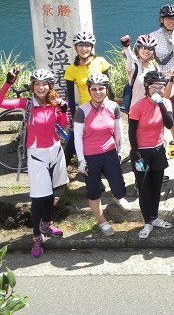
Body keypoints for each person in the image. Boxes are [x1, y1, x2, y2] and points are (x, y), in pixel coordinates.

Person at [0, 68, 69, 258]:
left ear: (50, 86)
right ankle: (36, 236)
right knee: (38, 197)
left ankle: (47, 224)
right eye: (37, 84)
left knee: (51, 192)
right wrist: (8, 83)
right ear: (33, 86)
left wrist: (63, 110)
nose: (41, 87)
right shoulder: (27, 103)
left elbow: (63, 122)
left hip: (55, 150)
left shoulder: (55, 102)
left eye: (45, 84)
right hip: (37, 154)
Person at [73, 73, 132, 237]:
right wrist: (81, 161)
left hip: (110, 153)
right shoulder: (82, 111)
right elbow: (77, 138)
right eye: (94, 89)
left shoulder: (113, 107)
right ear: (89, 90)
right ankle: (102, 221)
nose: (98, 92)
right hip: (90, 157)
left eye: (101, 88)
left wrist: (120, 152)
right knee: (93, 192)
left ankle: (117, 197)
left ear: (106, 89)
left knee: (119, 188)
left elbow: (118, 132)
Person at [128, 70, 174, 239]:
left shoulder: (167, 103)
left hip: (158, 150)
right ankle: (147, 222)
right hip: (141, 153)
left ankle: (155, 218)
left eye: (161, 87)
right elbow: (131, 132)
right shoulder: (138, 106)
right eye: (154, 87)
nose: (157, 90)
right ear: (147, 87)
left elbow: (169, 124)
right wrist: (136, 152)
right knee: (144, 188)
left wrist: (161, 103)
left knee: (156, 187)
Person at [63, 31, 111, 167]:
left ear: (92, 47)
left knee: (103, 139)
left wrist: (112, 107)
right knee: (76, 140)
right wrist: (73, 116)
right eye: (80, 45)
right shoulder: (72, 69)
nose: (84, 49)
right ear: (75, 48)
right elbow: (71, 98)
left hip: (103, 107)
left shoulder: (100, 62)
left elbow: (109, 88)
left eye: (87, 45)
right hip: (85, 110)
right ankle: (62, 173)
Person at [121, 34, 158, 113]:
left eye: (150, 48)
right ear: (138, 49)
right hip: (135, 112)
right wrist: (126, 46)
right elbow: (130, 58)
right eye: (144, 47)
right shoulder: (134, 67)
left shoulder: (156, 68)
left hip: (152, 111)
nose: (147, 51)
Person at [149, 4, 174, 75]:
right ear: (162, 20)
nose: (171, 21)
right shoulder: (153, 36)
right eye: (168, 18)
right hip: (159, 77)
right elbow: (145, 56)